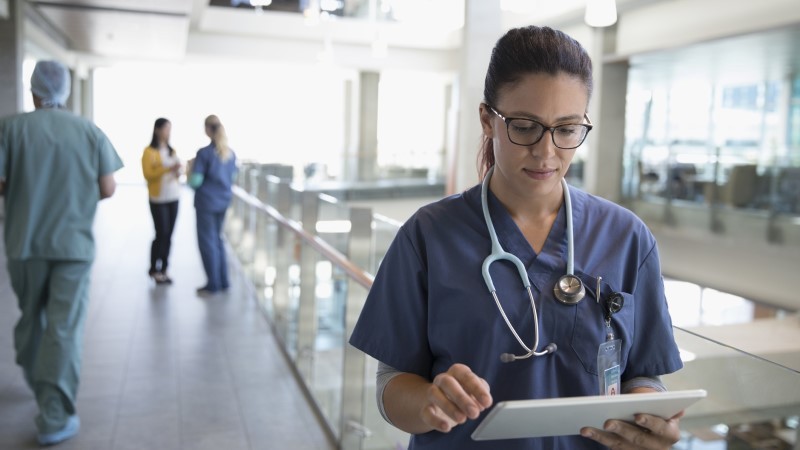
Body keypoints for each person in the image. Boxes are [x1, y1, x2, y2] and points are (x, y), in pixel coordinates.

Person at [348, 26, 684, 450]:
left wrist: (648, 419)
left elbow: (643, 375)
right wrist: (429, 401)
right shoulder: (429, 235)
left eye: (567, 129)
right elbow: (391, 384)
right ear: (488, 119)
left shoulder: (626, 237)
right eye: (525, 127)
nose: (546, 153)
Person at [0, 60, 123, 446]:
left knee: (30, 318)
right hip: (72, 247)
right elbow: (107, 187)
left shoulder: (10, 129)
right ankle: (54, 415)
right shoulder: (88, 131)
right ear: (65, 90)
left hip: (24, 243)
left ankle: (38, 378)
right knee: (63, 327)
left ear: (34, 89)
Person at [188, 115, 237, 295]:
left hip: (207, 203)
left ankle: (213, 284)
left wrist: (190, 170)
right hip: (223, 202)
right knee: (218, 239)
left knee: (208, 242)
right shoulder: (230, 153)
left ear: (207, 129)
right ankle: (223, 281)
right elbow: (232, 178)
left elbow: (195, 181)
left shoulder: (204, 154)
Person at [141, 117, 181, 284]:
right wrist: (166, 169)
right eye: (165, 129)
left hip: (173, 196)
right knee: (161, 233)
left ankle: (164, 268)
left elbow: (177, 173)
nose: (168, 132)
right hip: (158, 198)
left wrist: (177, 171)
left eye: (169, 129)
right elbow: (148, 175)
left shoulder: (172, 151)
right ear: (157, 130)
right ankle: (153, 268)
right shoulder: (149, 152)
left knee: (169, 234)